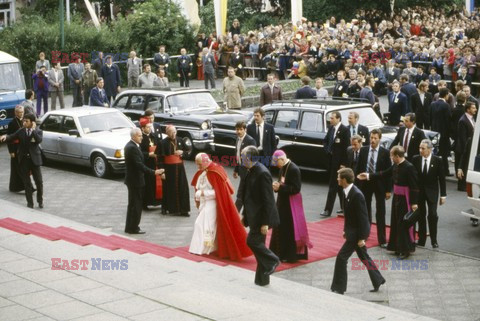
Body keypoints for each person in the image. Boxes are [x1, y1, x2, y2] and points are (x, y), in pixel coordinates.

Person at [330, 168, 386, 295]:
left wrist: (362, 238)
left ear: (344, 180)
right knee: (364, 257)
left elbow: (364, 218)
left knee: (341, 258)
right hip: (352, 232)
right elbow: (349, 216)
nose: (337, 179)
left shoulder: (356, 195)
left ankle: (339, 287)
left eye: (339, 177)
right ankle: (378, 280)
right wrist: (346, 230)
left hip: (356, 235)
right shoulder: (347, 191)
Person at [358, 146, 419, 259]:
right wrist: (368, 175)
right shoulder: (396, 165)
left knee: (403, 223)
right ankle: (396, 246)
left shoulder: (409, 167)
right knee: (395, 222)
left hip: (405, 199)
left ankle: (405, 250)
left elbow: (414, 186)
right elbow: (384, 173)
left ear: (397, 156)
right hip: (397, 197)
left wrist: (414, 203)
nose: (390, 157)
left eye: (392, 156)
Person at [189, 153, 252, 261]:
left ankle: (200, 248)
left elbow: (219, 193)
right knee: (206, 226)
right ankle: (206, 248)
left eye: (199, 164)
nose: (198, 167)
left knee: (201, 224)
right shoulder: (203, 171)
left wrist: (203, 193)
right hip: (205, 203)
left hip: (213, 203)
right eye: (197, 165)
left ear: (205, 161)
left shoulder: (216, 171)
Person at [240, 146, 280, 286]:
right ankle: (262, 279)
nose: (241, 159)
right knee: (258, 244)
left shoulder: (263, 173)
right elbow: (247, 196)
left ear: (251, 158)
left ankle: (273, 260)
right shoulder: (249, 170)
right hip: (253, 215)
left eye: (243, 157)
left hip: (261, 217)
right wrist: (244, 214)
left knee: (252, 241)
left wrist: (265, 223)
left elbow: (268, 200)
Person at [270, 150, 312, 262]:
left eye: (276, 162)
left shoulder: (294, 169)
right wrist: (276, 186)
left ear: (282, 159)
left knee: (289, 230)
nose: (275, 164)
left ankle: (289, 255)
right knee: (280, 227)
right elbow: (281, 182)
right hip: (282, 202)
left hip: (291, 204)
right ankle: (278, 253)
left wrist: (280, 187)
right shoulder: (283, 167)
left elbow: (296, 188)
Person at [124, 128, 164, 234]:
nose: (142, 137)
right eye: (139, 136)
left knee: (133, 204)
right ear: (133, 136)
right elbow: (139, 165)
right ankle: (133, 228)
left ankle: (130, 227)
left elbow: (141, 157)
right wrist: (154, 172)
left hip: (135, 180)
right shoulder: (131, 147)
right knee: (136, 205)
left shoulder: (134, 146)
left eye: (141, 135)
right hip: (135, 180)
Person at [356, 129, 392, 247]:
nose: (372, 140)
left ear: (379, 139)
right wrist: (356, 184)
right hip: (365, 184)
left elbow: (388, 173)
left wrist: (388, 190)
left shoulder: (385, 152)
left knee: (380, 211)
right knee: (365, 210)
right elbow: (359, 167)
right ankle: (365, 235)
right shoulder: (364, 150)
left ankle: (382, 239)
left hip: (379, 185)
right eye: (371, 137)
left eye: (375, 138)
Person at [1, 113, 44, 209]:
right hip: (24, 160)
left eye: (26, 121)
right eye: (23, 121)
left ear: (32, 122)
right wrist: (5, 137)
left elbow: (38, 140)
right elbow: (12, 136)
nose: (24, 123)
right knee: (27, 183)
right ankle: (30, 203)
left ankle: (40, 201)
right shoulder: (21, 131)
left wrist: (33, 130)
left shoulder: (38, 131)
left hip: (35, 160)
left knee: (39, 182)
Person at [413, 139, 446, 248]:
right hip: (419, 193)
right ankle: (421, 240)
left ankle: (434, 240)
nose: (420, 150)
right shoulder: (416, 159)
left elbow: (442, 179)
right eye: (420, 148)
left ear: (430, 149)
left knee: (432, 215)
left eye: (423, 148)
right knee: (421, 216)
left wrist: (443, 195)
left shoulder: (437, 160)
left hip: (432, 192)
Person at [321, 111, 350, 217]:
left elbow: (346, 148)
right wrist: (327, 150)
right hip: (331, 162)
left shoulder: (344, 130)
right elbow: (325, 141)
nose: (330, 120)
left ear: (338, 119)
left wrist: (343, 163)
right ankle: (344, 208)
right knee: (339, 187)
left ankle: (327, 210)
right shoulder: (331, 128)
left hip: (339, 163)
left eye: (332, 118)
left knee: (333, 186)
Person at [160, 125, 190, 216]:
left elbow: (188, 152)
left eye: (174, 132)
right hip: (168, 169)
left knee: (183, 188)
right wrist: (162, 172)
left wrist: (182, 153)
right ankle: (166, 208)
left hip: (180, 168)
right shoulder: (162, 143)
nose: (173, 134)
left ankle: (184, 210)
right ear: (167, 133)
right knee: (168, 188)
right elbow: (160, 159)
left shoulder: (180, 140)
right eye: (171, 132)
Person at [139, 118, 163, 209]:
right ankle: (146, 203)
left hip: (155, 162)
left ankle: (157, 201)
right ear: (143, 128)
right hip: (147, 163)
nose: (149, 129)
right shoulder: (141, 138)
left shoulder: (153, 136)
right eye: (148, 127)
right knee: (148, 184)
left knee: (156, 183)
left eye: (150, 127)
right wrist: (149, 154)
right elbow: (140, 152)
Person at [233, 121, 256, 211]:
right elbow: (237, 155)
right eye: (237, 129)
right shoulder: (237, 139)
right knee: (244, 193)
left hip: (248, 171)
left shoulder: (250, 140)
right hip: (241, 170)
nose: (238, 131)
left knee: (241, 193)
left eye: (241, 129)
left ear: (245, 130)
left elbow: (254, 158)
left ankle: (235, 213)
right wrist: (236, 169)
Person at [430, 88, 452, 176]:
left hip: (434, 132)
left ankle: (434, 170)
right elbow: (448, 120)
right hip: (444, 133)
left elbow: (430, 118)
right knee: (444, 153)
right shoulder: (446, 105)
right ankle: (445, 171)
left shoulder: (432, 104)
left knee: (434, 152)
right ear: (446, 95)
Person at [456, 101, 476, 191]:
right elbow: (462, 137)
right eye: (473, 108)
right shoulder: (463, 120)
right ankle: (461, 186)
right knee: (463, 166)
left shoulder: (472, 118)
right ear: (468, 109)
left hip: (470, 147)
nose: (475, 109)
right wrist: (466, 149)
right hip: (464, 148)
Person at [6, 105, 25, 192]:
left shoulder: (24, 121)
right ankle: (27, 186)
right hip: (15, 148)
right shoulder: (12, 123)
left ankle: (15, 187)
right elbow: (9, 138)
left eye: (22, 112)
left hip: (22, 148)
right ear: (16, 113)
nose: (21, 114)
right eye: (20, 113)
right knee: (16, 168)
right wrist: (11, 151)